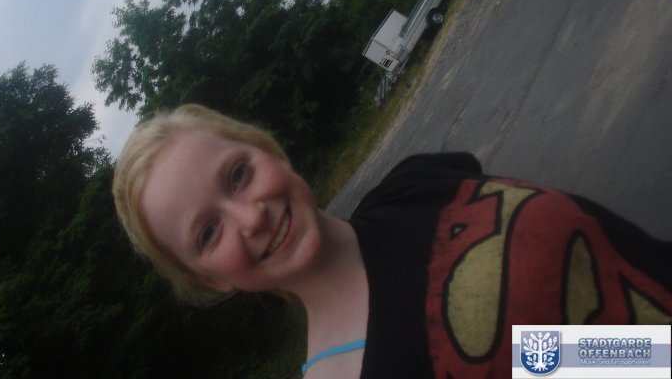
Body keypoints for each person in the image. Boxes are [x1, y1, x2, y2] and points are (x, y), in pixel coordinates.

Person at [112, 104, 672, 378]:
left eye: (238, 174)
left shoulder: (417, 182)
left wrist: (655, 356)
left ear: (268, 151)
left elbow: (550, 351)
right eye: (209, 233)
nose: (249, 217)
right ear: (211, 279)